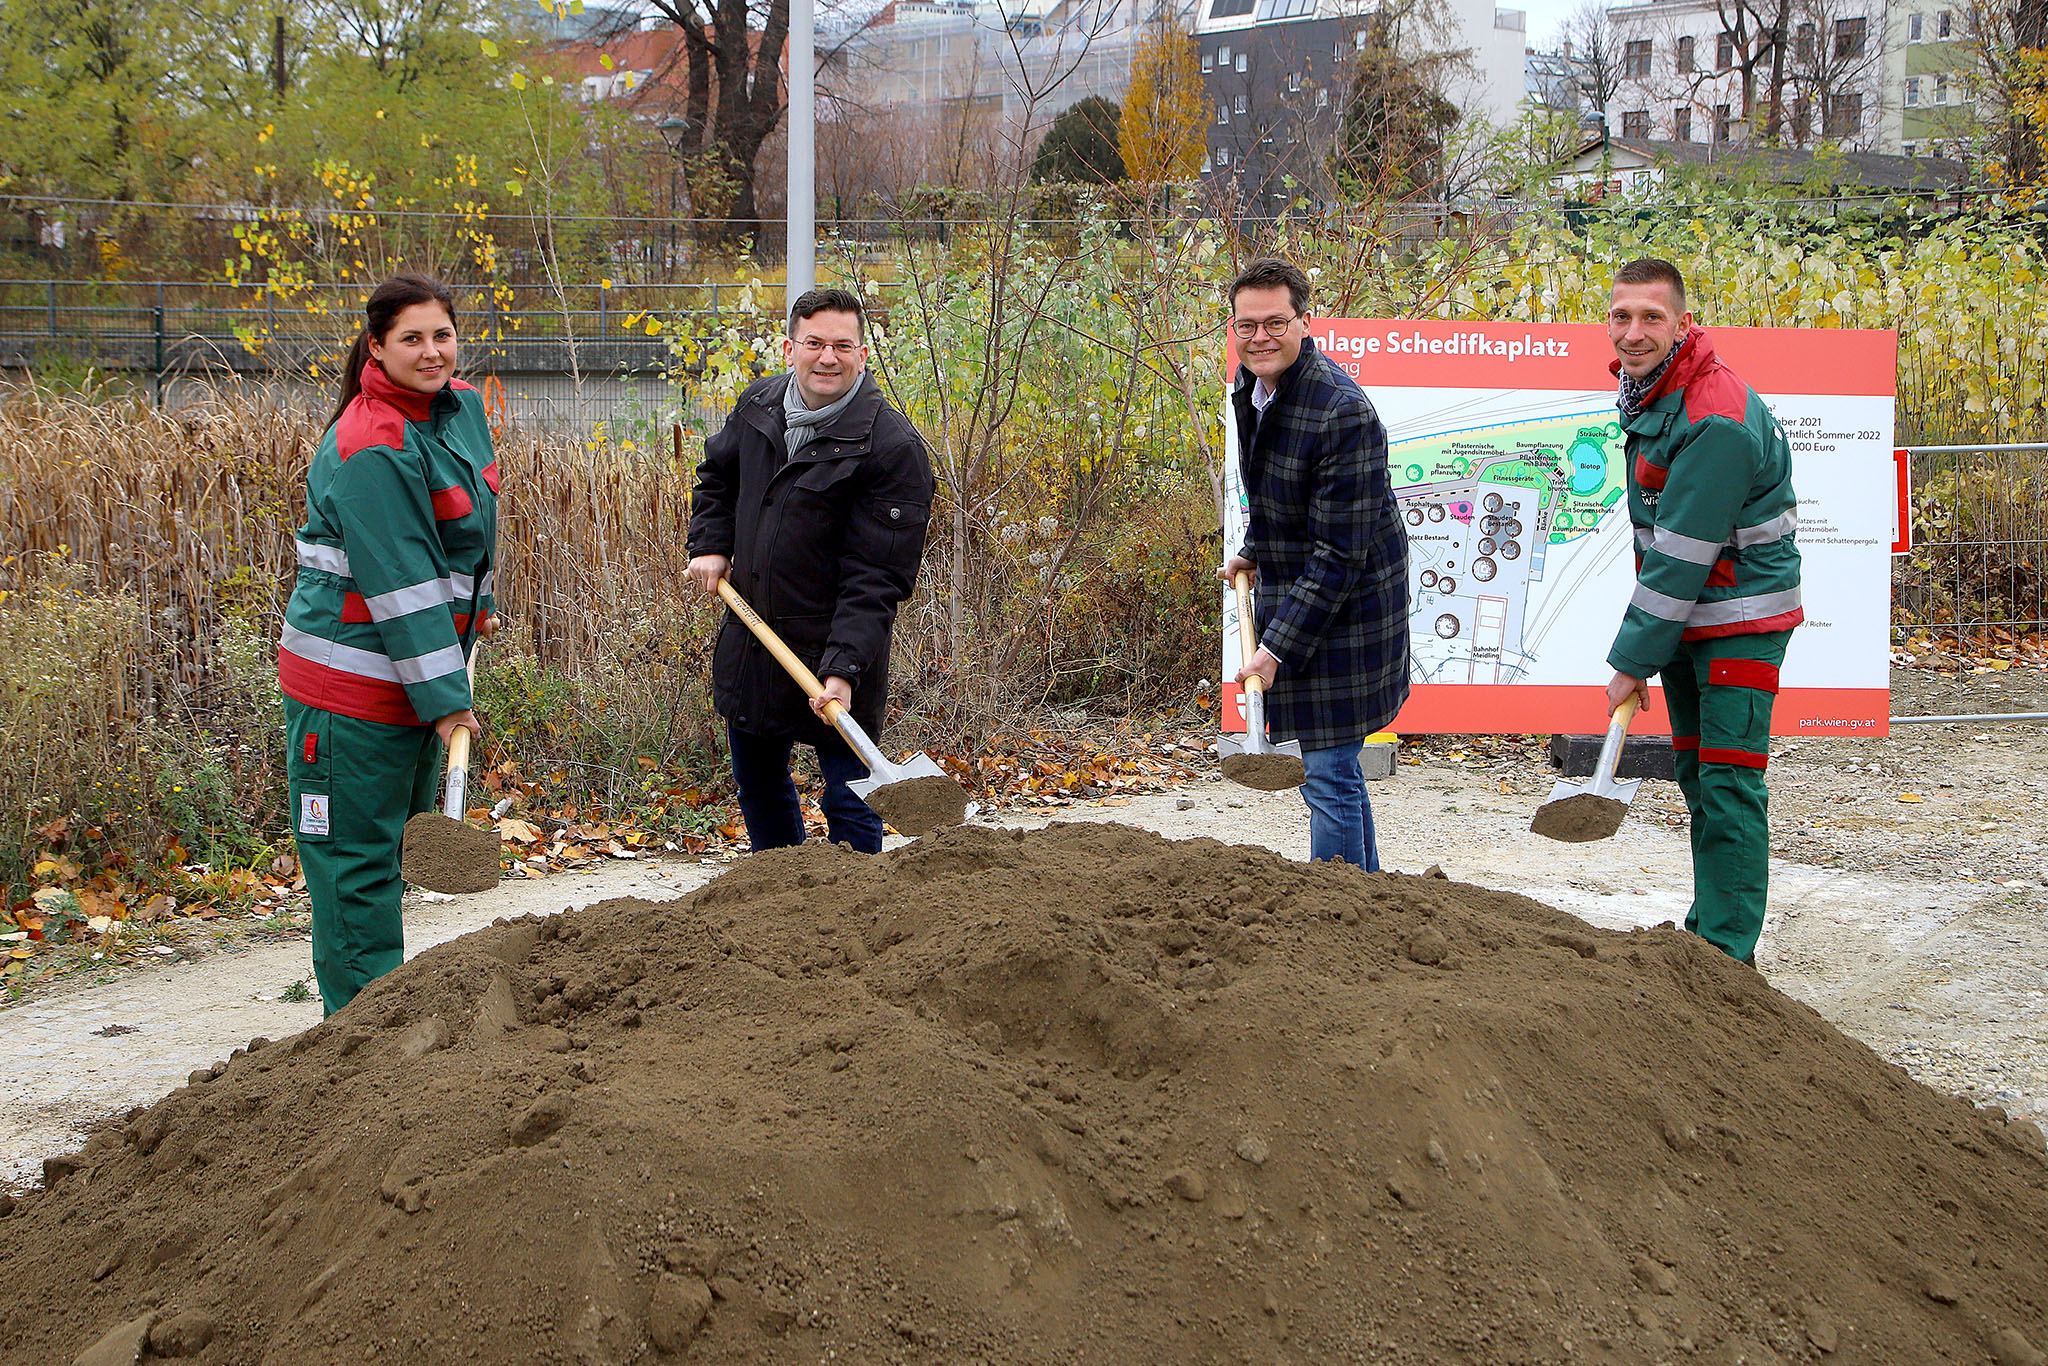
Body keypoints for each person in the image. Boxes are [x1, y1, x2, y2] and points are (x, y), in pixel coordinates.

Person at [278, 274, 502, 1015]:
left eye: (442, 334)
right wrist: (448, 704)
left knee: (390, 860)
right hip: (351, 694)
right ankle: (356, 1051)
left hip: (413, 681)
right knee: (357, 872)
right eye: (412, 338)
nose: (432, 352)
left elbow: (463, 536)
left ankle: (382, 1034)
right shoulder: (371, 445)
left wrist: (480, 607)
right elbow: (400, 584)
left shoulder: (461, 409)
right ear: (376, 345)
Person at [1602, 257, 1802, 965]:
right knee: (1698, 774)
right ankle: (1710, 934)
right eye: (1621, 316)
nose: (1633, 331)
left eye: (1651, 317)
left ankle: (1726, 957)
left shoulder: (1713, 417)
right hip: (1694, 615)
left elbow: (1683, 554)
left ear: (1682, 324)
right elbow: (1661, 544)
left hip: (1740, 618)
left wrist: (1631, 661)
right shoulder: (1654, 392)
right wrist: (1651, 647)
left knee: (1728, 780)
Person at [685, 287, 934, 852]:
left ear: (863, 354)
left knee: (851, 795)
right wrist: (710, 543)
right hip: (755, 634)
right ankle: (779, 896)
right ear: (789, 347)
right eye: (815, 343)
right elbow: (717, 479)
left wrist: (844, 669)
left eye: (843, 345)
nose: (828, 358)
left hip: (837, 645)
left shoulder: (891, 448)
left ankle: (859, 910)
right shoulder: (758, 407)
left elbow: (878, 577)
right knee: (759, 782)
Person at [1219, 258, 1410, 869]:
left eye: (1275, 322)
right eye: (1246, 325)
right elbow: (1280, 495)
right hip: (1309, 593)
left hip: (1350, 609)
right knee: (1337, 768)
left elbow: (1340, 553)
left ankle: (1339, 920)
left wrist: (1272, 652)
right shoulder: (1255, 391)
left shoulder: (1339, 411)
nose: (1260, 337)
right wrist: (1256, 547)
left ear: (1306, 321)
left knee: (1327, 771)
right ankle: (1367, 899)